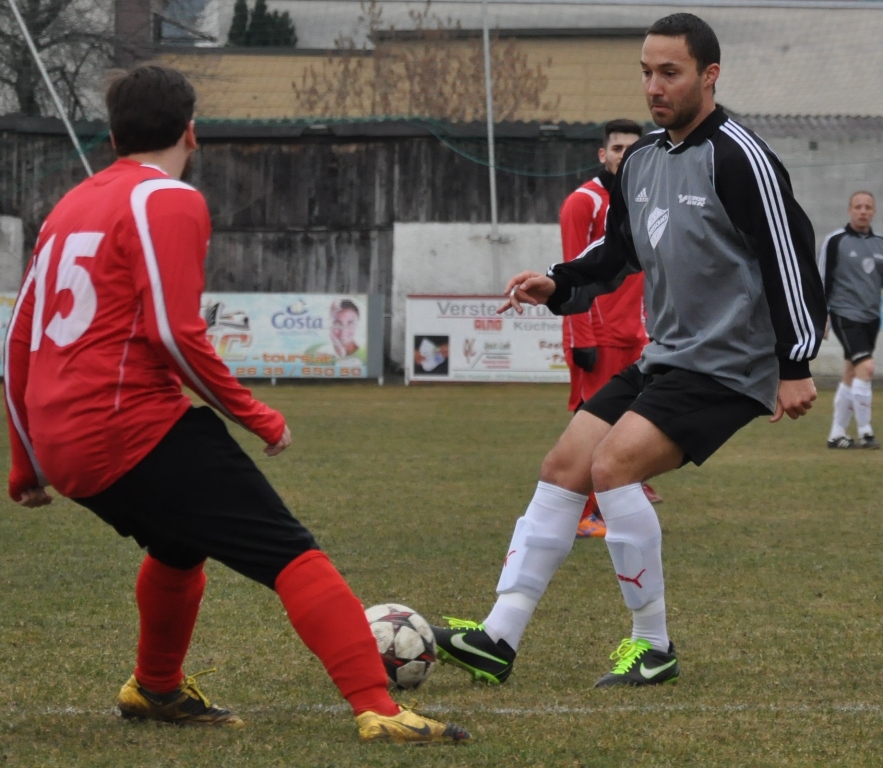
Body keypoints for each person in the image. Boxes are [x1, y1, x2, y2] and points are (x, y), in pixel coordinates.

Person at [3, 65, 470, 745]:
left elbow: (18, 339)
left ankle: (155, 686)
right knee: (291, 554)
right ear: (192, 132)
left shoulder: (69, 206)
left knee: (177, 544)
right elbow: (172, 332)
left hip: (65, 440)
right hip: (128, 424)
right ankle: (378, 707)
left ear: (113, 136)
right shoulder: (168, 199)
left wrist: (26, 460)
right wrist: (253, 414)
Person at [432, 13, 826, 688]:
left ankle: (652, 646)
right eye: (646, 72)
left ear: (709, 75)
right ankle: (498, 636)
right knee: (564, 466)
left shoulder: (740, 157)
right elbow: (618, 250)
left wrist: (794, 363)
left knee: (612, 467)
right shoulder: (639, 159)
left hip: (730, 362)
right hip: (666, 356)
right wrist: (559, 281)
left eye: (669, 72)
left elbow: (788, 256)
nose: (653, 86)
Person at [557, 119, 661, 539]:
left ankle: (618, 496)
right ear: (603, 154)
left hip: (635, 334)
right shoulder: (582, 202)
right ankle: (580, 513)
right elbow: (571, 272)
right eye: (617, 148)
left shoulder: (642, 197)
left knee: (629, 423)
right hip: (598, 335)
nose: (624, 156)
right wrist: (582, 337)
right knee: (593, 426)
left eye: (632, 149)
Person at [818, 191, 883, 449]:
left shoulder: (880, 244)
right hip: (844, 314)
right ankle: (866, 432)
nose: (863, 211)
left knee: (851, 372)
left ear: (873, 211)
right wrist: (821, 315)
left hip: (871, 317)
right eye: (858, 206)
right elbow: (822, 277)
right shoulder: (836, 241)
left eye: (867, 207)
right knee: (866, 368)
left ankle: (836, 435)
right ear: (850, 210)